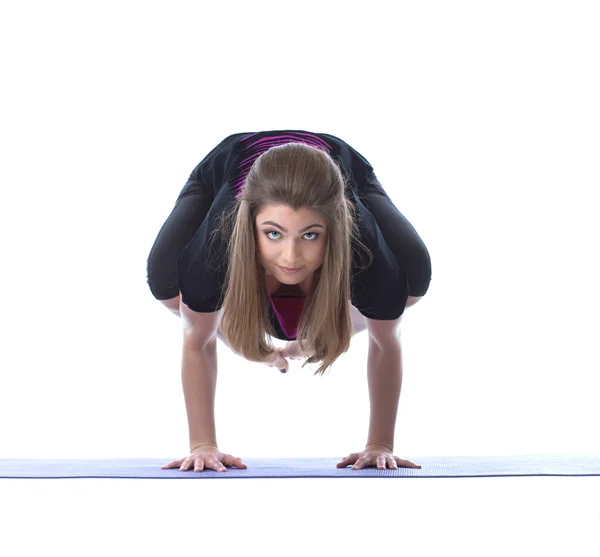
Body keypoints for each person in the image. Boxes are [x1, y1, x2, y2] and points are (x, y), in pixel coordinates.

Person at [147, 129, 431, 473]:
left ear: (334, 227)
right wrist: (203, 446)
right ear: (250, 225)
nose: (291, 256)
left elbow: (386, 343)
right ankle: (256, 343)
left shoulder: (365, 254)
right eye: (273, 233)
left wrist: (379, 444)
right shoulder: (215, 250)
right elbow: (197, 340)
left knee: (411, 284)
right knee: (166, 284)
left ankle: (312, 341)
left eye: (310, 234)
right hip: (228, 161)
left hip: (345, 164)